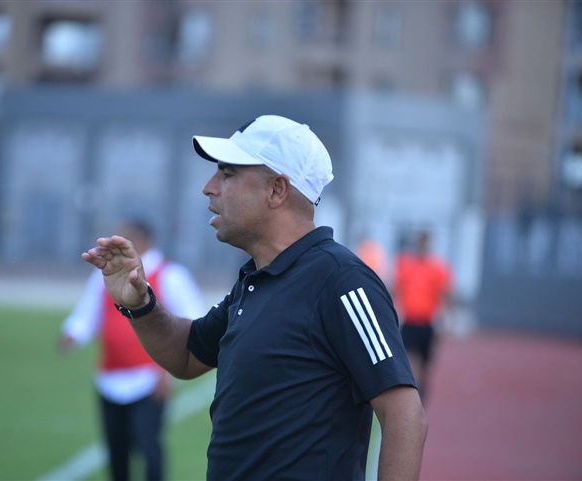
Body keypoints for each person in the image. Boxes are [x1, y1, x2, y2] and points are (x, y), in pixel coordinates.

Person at [81, 115, 428, 480]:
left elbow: (405, 415)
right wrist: (139, 305)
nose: (209, 188)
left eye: (228, 173)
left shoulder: (341, 279)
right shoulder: (256, 278)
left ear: (277, 190)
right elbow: (187, 355)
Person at [59, 219, 204, 481]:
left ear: (141, 240)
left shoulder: (170, 274)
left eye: (123, 238)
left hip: (148, 381)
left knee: (149, 448)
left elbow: (193, 321)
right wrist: (74, 333)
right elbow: (88, 312)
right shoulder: (105, 274)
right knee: (116, 451)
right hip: (109, 378)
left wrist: (166, 373)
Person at [393, 230, 453, 404]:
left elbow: (445, 294)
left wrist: (448, 319)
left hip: (427, 324)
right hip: (410, 322)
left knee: (425, 367)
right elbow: (396, 290)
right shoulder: (405, 266)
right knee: (409, 362)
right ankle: (410, 398)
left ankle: (420, 397)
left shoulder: (437, 268)